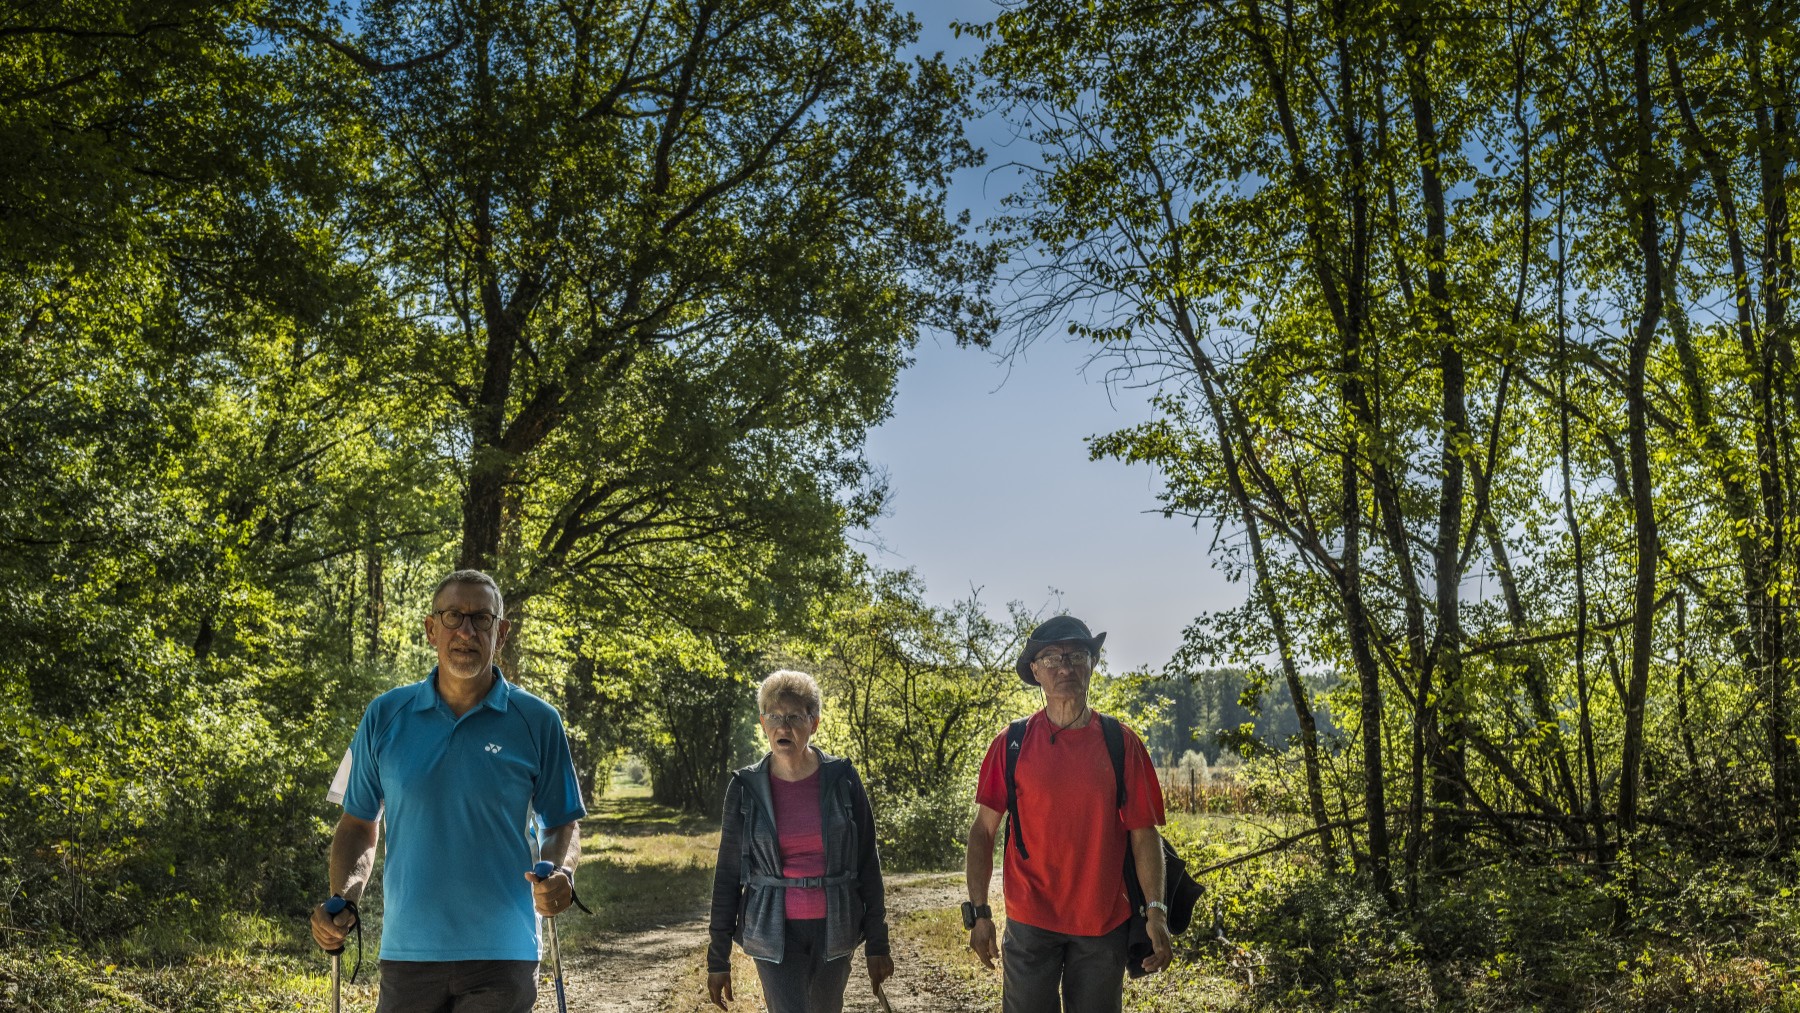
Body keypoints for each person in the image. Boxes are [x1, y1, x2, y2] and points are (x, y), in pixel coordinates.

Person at [311, 569, 587, 1013]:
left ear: (501, 631)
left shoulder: (537, 721)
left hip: (505, 952)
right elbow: (359, 823)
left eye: (481, 618)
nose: (466, 630)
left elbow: (562, 822)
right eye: (453, 616)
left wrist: (560, 873)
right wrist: (344, 896)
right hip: (408, 954)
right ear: (430, 629)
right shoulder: (384, 716)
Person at [964, 615, 1172, 1012]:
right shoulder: (1011, 744)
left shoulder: (1121, 743)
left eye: (1077, 655)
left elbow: (1144, 835)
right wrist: (979, 914)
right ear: (1036, 671)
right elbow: (982, 832)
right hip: (1030, 921)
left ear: (1092, 665)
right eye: (1052, 657)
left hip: (1103, 923)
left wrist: (1156, 912)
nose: (1065, 666)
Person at [706, 670, 894, 1012]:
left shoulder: (843, 779)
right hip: (771, 930)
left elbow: (868, 862)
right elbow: (727, 875)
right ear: (763, 723)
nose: (783, 727)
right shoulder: (745, 788)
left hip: (836, 925)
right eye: (774, 717)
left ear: (814, 723)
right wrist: (718, 958)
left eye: (794, 716)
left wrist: (877, 942)